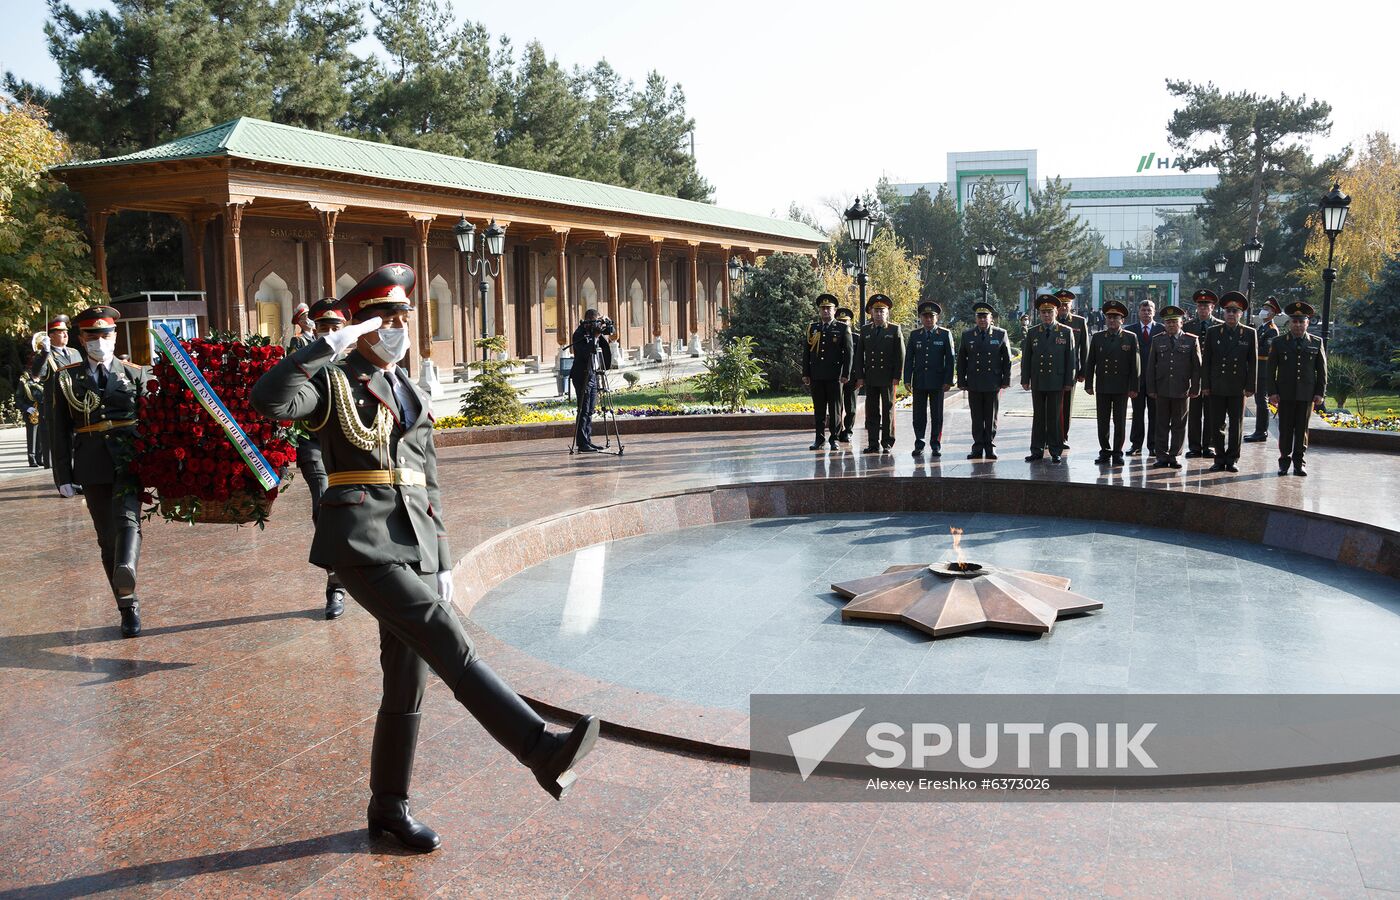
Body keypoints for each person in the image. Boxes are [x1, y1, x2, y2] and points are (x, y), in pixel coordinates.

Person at [252, 264, 600, 854]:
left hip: (412, 543)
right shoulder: (333, 380)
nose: (397, 326)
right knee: (441, 632)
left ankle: (388, 808)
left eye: (403, 316)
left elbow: (426, 479)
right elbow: (271, 401)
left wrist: (440, 557)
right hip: (360, 541)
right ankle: (538, 748)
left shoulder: (406, 387)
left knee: (407, 680)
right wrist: (324, 345)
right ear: (360, 324)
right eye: (385, 316)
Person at [47, 306, 149, 637]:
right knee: (107, 538)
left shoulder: (134, 373)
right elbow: (58, 430)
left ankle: (127, 573)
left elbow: (151, 423)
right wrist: (62, 475)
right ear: (81, 338)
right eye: (92, 335)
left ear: (115, 337)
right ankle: (126, 603)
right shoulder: (65, 378)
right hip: (90, 464)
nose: (99, 340)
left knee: (128, 520)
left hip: (128, 460)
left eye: (105, 335)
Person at [297, 298, 352, 619]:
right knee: (324, 507)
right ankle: (336, 586)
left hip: (350, 448)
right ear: (314, 330)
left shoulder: (356, 365)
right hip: (313, 445)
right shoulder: (300, 363)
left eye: (336, 328)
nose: (330, 333)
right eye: (324, 328)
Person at [1266, 301, 1327, 476]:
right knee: (1285, 429)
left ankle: (1299, 463)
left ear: (1307, 323)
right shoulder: (1278, 342)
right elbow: (1270, 370)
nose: (1298, 325)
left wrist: (1319, 393)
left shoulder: (1316, 342)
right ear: (1289, 323)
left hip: (1306, 395)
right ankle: (1284, 462)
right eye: (1295, 321)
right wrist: (1272, 392)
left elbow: (1322, 370)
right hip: (1285, 394)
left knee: (1302, 430)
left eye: (1301, 321)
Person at [1201, 291, 1258, 473]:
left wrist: (1250, 386)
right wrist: (1206, 385)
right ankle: (1219, 458)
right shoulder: (1213, 332)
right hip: (1217, 386)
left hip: (1237, 387)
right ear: (1223, 313)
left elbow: (1253, 362)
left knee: (1236, 425)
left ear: (1241, 313)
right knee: (1216, 424)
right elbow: (1207, 361)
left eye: (1235, 311)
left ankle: (1232, 458)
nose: (1231, 314)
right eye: (1228, 311)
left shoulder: (1249, 333)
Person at [1083, 299, 1140, 466]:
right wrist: (1088, 384)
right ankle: (1105, 451)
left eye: (1116, 318)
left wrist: (1134, 387)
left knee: (1120, 421)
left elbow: (1135, 365)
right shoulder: (1098, 337)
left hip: (1122, 387)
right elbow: (1090, 362)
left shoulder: (1130, 337)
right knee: (1102, 420)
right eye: (1109, 317)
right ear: (1105, 319)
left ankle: (1117, 452)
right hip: (1103, 385)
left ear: (1122, 320)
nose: (1112, 321)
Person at [1144, 304, 1201, 470]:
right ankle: (1161, 456)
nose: (1171, 325)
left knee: (1179, 425)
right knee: (1160, 424)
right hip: (1162, 389)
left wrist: (1195, 387)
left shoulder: (1191, 340)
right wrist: (1151, 389)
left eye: (1174, 322)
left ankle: (1175, 455)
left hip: (1182, 389)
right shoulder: (1158, 339)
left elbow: (1197, 367)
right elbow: (1151, 367)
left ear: (1181, 323)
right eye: (1168, 322)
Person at [1021, 295, 1076, 463]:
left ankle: (1055, 450)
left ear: (1056, 312)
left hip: (1056, 380)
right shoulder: (1032, 332)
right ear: (1039, 313)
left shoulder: (1066, 332)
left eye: (1049, 312)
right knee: (1038, 416)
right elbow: (1027, 358)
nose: (1046, 315)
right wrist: (1025, 379)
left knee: (1054, 417)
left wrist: (1068, 381)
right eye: (1043, 312)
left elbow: (1071, 359)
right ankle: (1036, 449)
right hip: (1038, 380)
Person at [956, 300, 1012, 459]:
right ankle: (977, 446)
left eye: (985, 316)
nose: (982, 320)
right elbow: (962, 360)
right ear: (975, 318)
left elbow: (1006, 360)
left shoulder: (1000, 334)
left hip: (992, 382)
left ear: (991, 318)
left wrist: (1006, 380)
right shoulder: (967, 335)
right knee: (976, 417)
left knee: (991, 417)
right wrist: (961, 380)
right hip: (974, 382)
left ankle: (990, 445)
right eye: (979, 317)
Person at [903, 301, 954, 457]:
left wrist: (948, 380)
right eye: (925, 316)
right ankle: (919, 443)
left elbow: (951, 360)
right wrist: (907, 379)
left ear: (936, 317)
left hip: (938, 382)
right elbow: (909, 358)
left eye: (931, 316)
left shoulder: (945, 334)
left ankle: (935, 444)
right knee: (918, 415)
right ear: (920, 318)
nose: (928, 319)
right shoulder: (915, 335)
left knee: (937, 415)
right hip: (919, 381)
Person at [854, 294, 903, 453]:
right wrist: (860, 376)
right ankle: (873, 443)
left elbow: (899, 355)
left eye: (882, 311)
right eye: (876, 311)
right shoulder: (865, 330)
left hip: (888, 377)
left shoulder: (894, 329)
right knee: (872, 411)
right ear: (871, 312)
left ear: (887, 313)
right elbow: (859, 355)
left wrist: (897, 376)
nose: (879, 314)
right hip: (871, 377)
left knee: (887, 410)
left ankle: (887, 442)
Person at [801, 295, 851, 450]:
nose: (826, 311)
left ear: (834, 310)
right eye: (823, 308)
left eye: (828, 308)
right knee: (819, 409)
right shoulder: (813, 328)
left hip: (835, 376)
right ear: (819, 310)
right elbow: (807, 352)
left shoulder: (842, 328)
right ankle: (819, 439)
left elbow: (849, 353)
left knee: (835, 410)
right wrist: (806, 373)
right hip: (817, 375)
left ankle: (834, 438)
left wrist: (846, 374)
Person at [1183, 290, 1222, 458]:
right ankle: (1194, 446)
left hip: (1213, 375)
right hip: (1195, 375)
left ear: (1212, 307)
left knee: (1212, 412)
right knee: (1194, 413)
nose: (1203, 309)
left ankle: (1209, 445)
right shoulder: (1188, 326)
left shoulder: (1220, 326)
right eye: (1200, 306)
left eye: (1206, 306)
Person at [570, 308, 615, 453]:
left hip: (593, 374)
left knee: (590, 410)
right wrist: (595, 335)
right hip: (582, 375)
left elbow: (612, 332)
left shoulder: (594, 332)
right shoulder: (579, 334)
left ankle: (587, 440)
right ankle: (582, 443)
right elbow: (587, 352)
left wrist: (606, 324)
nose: (596, 325)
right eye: (594, 322)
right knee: (583, 409)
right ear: (588, 321)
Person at [1126, 300, 1163, 457]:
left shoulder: (1162, 329)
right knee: (1137, 414)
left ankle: (1153, 445)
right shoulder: (1130, 330)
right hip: (1137, 381)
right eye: (1143, 310)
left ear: (1154, 312)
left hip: (1156, 381)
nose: (1146, 313)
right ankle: (1136, 445)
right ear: (1138, 312)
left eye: (1149, 310)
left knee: (1155, 414)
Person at [1245, 296, 1282, 442]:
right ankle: (1259, 430)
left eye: (1266, 309)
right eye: (1264, 308)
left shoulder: (1272, 330)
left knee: (1262, 401)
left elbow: (1266, 350)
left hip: (1264, 371)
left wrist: (1249, 348)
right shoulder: (1262, 327)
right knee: (1259, 401)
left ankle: (1261, 432)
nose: (1263, 311)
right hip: (1258, 370)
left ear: (1273, 313)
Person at [1055, 289, 1089, 448]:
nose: (1063, 307)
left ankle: (1063, 437)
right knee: (1051, 405)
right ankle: (1050, 436)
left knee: (1067, 406)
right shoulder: (1048, 319)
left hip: (1071, 370)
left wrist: (1083, 371)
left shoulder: (1079, 322)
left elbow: (1085, 348)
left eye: (1066, 304)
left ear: (1071, 305)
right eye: (1060, 304)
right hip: (1051, 370)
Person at [835, 306, 859, 442]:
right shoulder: (834, 336)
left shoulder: (857, 338)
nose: (844, 324)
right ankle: (837, 431)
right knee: (837, 406)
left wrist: (860, 377)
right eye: (841, 321)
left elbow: (861, 359)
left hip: (852, 376)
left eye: (846, 321)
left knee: (851, 406)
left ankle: (848, 430)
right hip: (837, 377)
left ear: (851, 322)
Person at [19, 365, 45, 467]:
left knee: (42, 437)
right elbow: (18, 398)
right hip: (32, 413)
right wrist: (27, 408)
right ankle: (32, 459)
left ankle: (40, 458)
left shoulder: (44, 381)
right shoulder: (24, 382)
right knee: (32, 437)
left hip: (43, 412)